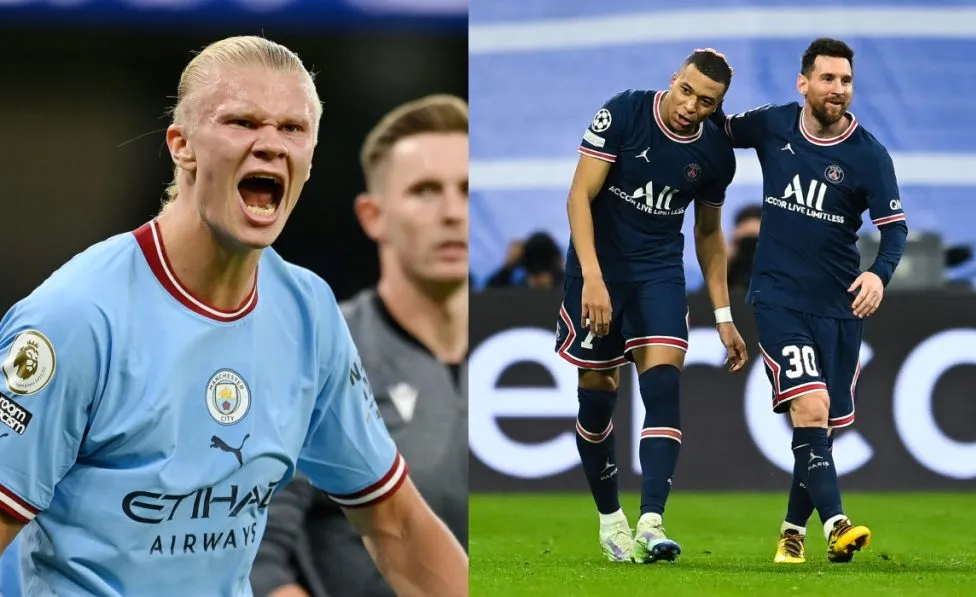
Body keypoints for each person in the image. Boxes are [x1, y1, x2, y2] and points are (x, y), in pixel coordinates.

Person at [0, 36, 467, 597]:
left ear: (310, 156)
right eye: (242, 122)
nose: (270, 144)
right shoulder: (75, 317)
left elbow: (396, 525)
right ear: (181, 145)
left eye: (291, 129)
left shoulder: (308, 312)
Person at [252, 94, 468, 597]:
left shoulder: (534, 352)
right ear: (373, 216)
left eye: (466, 190)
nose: (453, 213)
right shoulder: (313, 351)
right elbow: (255, 559)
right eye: (425, 191)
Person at [715, 38, 908, 564]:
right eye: (827, 79)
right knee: (812, 404)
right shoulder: (773, 125)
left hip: (840, 307)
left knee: (818, 425)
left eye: (845, 81)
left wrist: (879, 275)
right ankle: (837, 524)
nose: (837, 90)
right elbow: (715, 131)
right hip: (778, 298)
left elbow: (894, 231)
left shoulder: (869, 155)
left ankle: (791, 531)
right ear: (803, 83)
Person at [556, 49, 749, 564]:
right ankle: (610, 520)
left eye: (706, 102)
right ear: (674, 81)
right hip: (598, 269)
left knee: (663, 382)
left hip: (659, 273)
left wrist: (723, 315)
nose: (691, 106)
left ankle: (651, 521)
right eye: (687, 92)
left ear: (718, 104)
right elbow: (579, 195)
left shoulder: (715, 155)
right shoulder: (624, 112)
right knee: (598, 398)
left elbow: (708, 236)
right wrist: (592, 280)